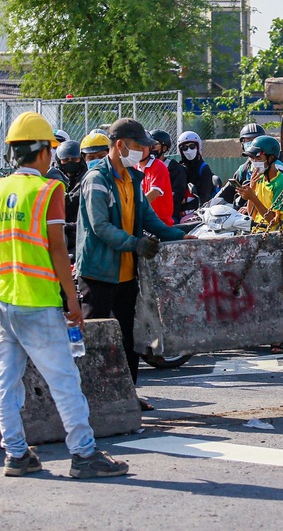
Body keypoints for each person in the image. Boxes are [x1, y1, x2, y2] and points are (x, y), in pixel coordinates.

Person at [0, 111, 129, 479]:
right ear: (42, 153)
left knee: (7, 382)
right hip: (39, 302)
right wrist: (72, 300)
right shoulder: (48, 190)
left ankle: (17, 454)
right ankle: (84, 454)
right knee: (65, 381)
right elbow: (57, 248)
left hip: (5, 302)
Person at [76, 118, 190, 409]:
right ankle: (90, 398)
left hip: (126, 273)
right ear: (120, 145)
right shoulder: (96, 179)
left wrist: (181, 235)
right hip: (98, 273)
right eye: (139, 146)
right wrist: (135, 244)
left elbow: (148, 217)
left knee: (129, 338)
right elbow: (100, 226)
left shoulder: (133, 178)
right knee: (96, 336)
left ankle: (127, 395)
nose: (143, 151)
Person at [237, 135, 283, 232]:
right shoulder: (260, 179)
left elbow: (273, 220)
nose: (254, 162)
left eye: (258, 158)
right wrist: (252, 188)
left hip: (275, 235)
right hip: (257, 231)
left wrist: (253, 197)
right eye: (252, 158)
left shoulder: (281, 183)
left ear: (271, 158)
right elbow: (252, 215)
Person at [136, 133, 175, 226]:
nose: (140, 149)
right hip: (143, 223)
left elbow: (154, 193)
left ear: (150, 147)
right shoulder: (133, 167)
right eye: (136, 146)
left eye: (143, 146)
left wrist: (133, 209)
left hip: (160, 224)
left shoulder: (159, 166)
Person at [175, 130, 216, 215]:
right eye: (184, 148)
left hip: (200, 211)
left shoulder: (204, 168)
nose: (189, 150)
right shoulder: (179, 168)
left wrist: (181, 208)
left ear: (198, 147)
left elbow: (204, 198)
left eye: (192, 146)